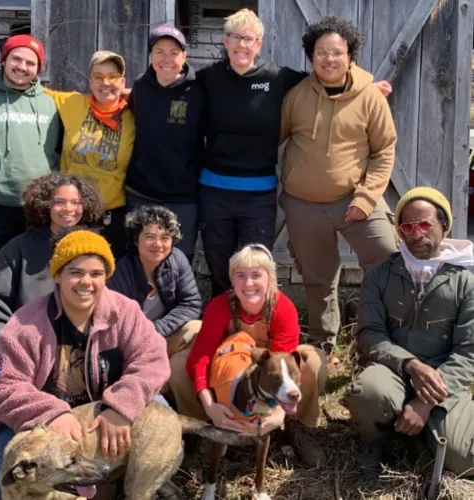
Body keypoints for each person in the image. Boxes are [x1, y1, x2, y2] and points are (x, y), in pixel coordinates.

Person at [196, 9, 392, 298]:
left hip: (258, 193)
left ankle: (256, 329)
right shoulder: (206, 78)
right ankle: (222, 327)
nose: (242, 44)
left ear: (259, 44)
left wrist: (365, 89)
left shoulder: (276, 78)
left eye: (249, 38)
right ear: (225, 41)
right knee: (219, 267)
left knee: (256, 268)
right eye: (235, 37)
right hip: (215, 188)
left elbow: (329, 83)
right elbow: (176, 93)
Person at [0, 228, 170, 500]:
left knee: (160, 410)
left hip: (100, 413)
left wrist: (121, 407)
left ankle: (122, 477)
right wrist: (51, 413)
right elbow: (1, 388)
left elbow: (153, 360)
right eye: (75, 272)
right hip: (37, 424)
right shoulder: (25, 324)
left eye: (96, 274)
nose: (86, 282)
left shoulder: (125, 312)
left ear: (107, 277)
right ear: (58, 275)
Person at [279, 16, 398, 360]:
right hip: (303, 204)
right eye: (321, 53)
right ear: (311, 56)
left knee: (388, 263)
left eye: (336, 52)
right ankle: (323, 347)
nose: (329, 59)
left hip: (356, 199)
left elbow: (384, 149)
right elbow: (271, 136)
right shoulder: (297, 96)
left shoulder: (369, 96)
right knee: (317, 280)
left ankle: (379, 342)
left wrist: (366, 197)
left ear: (350, 55)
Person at [344, 187, 474, 475]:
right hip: (393, 370)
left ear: (444, 225)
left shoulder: (466, 281)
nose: (416, 234)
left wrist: (426, 402)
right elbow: (370, 333)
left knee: (465, 459)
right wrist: (410, 364)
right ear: (400, 231)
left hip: (442, 378)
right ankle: (377, 440)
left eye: (425, 224)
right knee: (367, 394)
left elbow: (469, 351)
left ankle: (416, 436)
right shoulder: (379, 275)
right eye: (407, 226)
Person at [169, 243, 327, 465]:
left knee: (311, 361)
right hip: (226, 377)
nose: (248, 283)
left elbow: (283, 366)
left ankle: (294, 426)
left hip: (268, 378)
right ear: (231, 280)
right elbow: (201, 358)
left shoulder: (283, 308)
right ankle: (205, 428)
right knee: (178, 366)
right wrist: (209, 405)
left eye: (256, 275)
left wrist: (277, 416)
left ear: (270, 279)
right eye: (240, 275)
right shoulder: (220, 306)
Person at [0, 173, 104, 400]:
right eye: (59, 202)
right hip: (28, 344)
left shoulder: (94, 247)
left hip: (80, 347)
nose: (68, 209)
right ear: (45, 205)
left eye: (76, 202)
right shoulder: (18, 247)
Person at [0, 34, 61, 285]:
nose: (22, 67)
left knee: (33, 276)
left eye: (30, 63)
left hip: (37, 207)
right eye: (16, 59)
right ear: (4, 60)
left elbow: (56, 153)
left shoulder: (49, 104)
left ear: (38, 69)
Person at [126, 25, 206, 263]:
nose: (166, 59)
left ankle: (176, 302)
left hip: (183, 195)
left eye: (174, 52)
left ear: (185, 56)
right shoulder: (141, 87)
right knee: (138, 259)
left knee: (180, 260)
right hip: (140, 191)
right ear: (150, 56)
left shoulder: (198, 92)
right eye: (159, 51)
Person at [44, 51, 135, 259]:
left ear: (122, 81)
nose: (105, 82)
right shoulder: (72, 104)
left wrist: (131, 93)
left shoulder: (134, 112)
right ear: (90, 81)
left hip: (111, 215)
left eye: (112, 76)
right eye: (98, 76)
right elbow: (29, 90)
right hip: (72, 212)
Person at [108, 205, 202, 357]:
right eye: (149, 237)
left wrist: (156, 329)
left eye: (165, 238)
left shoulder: (177, 259)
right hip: (130, 343)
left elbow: (191, 303)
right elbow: (113, 319)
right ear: (136, 240)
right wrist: (143, 336)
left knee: (196, 328)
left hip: (162, 334)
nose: (158, 244)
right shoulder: (122, 271)